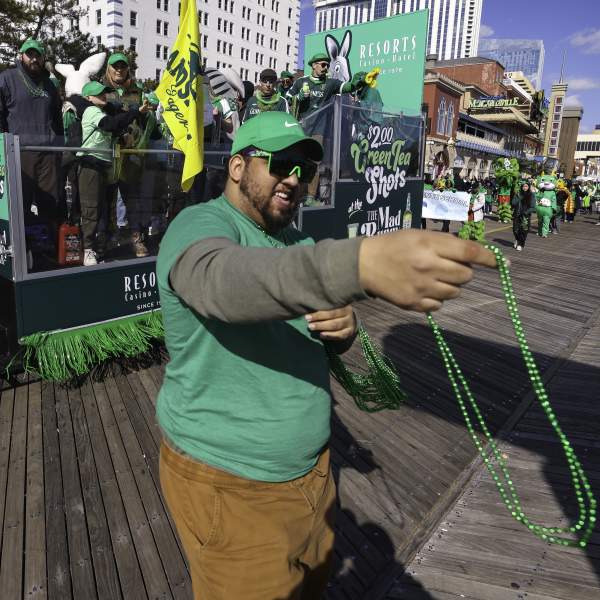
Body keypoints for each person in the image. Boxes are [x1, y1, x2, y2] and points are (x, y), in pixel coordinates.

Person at [156, 112, 497, 600]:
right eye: (280, 163)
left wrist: (344, 329)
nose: (294, 178)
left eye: (305, 169)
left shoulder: (298, 240)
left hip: (313, 476)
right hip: (231, 485)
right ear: (236, 168)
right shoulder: (198, 224)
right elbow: (222, 283)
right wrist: (359, 261)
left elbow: (316, 322)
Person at [77, 81, 153, 265]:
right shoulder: (91, 111)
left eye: (104, 93)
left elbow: (112, 130)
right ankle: (88, 249)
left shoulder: (101, 112)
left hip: (104, 165)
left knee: (103, 207)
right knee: (91, 208)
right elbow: (109, 125)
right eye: (99, 93)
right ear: (88, 97)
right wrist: (136, 112)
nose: (104, 96)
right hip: (90, 164)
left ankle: (97, 246)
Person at [0, 38, 63, 237]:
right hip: (18, 151)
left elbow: (57, 118)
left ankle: (46, 245)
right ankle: (21, 249)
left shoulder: (50, 85)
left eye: (38, 54)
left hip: (47, 152)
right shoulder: (7, 78)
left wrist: (60, 147)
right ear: (22, 56)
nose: (34, 58)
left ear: (43, 57)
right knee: (20, 202)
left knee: (49, 202)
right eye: (30, 54)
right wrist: (2, 146)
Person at [286, 54, 367, 203]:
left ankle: (310, 197)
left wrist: (356, 83)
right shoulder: (301, 81)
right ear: (313, 65)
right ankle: (296, 193)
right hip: (301, 128)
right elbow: (287, 97)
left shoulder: (330, 83)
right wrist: (298, 97)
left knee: (314, 163)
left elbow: (346, 87)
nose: (325, 68)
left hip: (319, 129)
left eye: (327, 65)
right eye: (322, 64)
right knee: (299, 161)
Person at [103, 52, 156, 258]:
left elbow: (147, 120)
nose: (119, 70)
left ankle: (137, 239)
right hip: (108, 153)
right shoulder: (102, 90)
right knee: (106, 200)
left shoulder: (138, 91)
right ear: (108, 68)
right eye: (115, 66)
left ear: (127, 69)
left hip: (131, 155)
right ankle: (105, 241)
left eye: (122, 66)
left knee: (132, 200)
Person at [511, 181, 535, 251]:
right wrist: (518, 197)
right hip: (517, 214)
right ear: (521, 187)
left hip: (525, 215)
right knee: (515, 230)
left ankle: (520, 244)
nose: (525, 188)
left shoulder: (531, 195)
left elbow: (533, 207)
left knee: (524, 231)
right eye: (524, 186)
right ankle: (517, 239)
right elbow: (513, 203)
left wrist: (526, 212)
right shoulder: (518, 194)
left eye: (526, 186)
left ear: (528, 187)